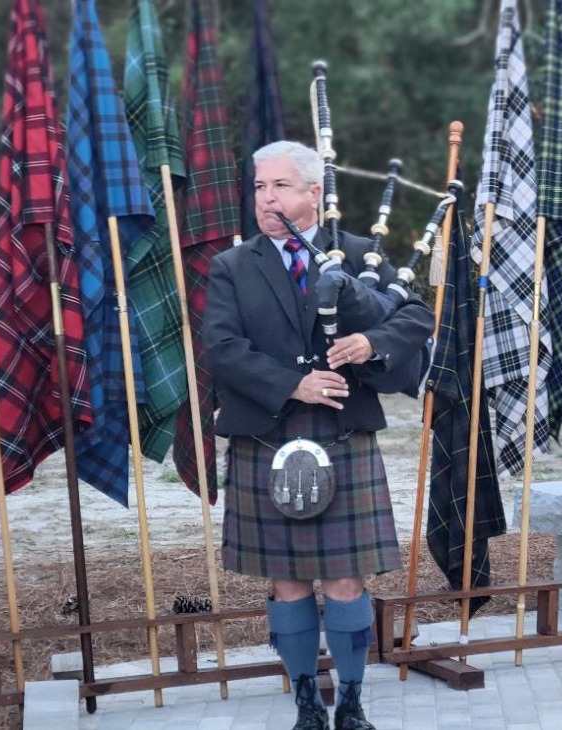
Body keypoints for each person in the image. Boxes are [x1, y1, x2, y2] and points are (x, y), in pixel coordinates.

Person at [203, 140, 433, 730]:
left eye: (279, 185)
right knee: (287, 580)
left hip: (341, 433)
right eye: (258, 186)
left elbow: (415, 315)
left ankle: (351, 699)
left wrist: (371, 343)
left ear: (313, 193)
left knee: (344, 576)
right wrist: (292, 386)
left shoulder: (358, 256)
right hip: (268, 434)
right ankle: (306, 697)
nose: (265, 197)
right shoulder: (233, 266)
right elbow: (222, 350)